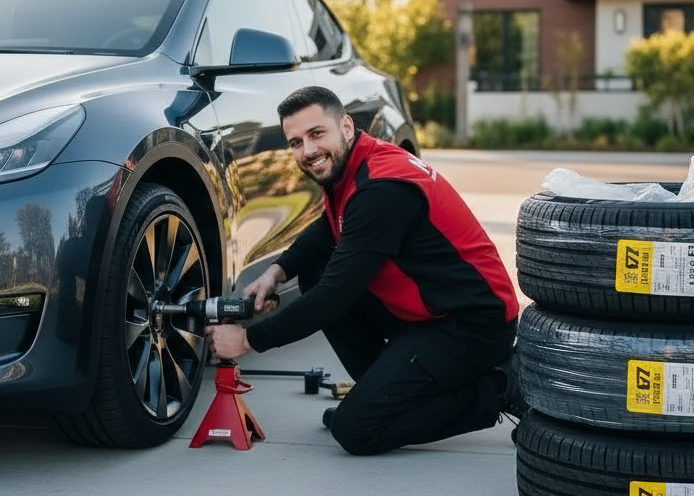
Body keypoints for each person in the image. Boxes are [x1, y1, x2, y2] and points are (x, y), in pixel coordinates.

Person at [205, 85, 520, 455]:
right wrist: (277, 270)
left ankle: (501, 387)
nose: (308, 151)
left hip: (471, 326)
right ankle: (380, 396)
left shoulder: (382, 188)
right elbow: (330, 226)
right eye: (295, 142)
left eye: (316, 133)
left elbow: (332, 299)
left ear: (346, 126)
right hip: (429, 310)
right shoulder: (359, 163)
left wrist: (247, 341)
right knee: (315, 271)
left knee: (356, 430)